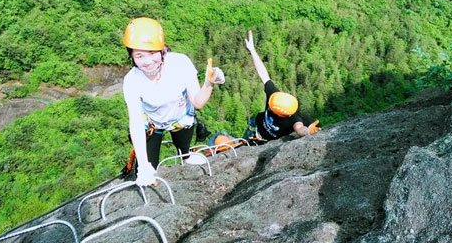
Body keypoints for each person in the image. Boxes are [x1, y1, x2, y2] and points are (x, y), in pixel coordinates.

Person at [122, 17, 225, 186]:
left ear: (162, 50)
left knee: (183, 146)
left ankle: (185, 155)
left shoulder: (180, 63)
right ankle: (148, 169)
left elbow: (197, 102)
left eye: (152, 53)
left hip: (180, 118)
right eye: (139, 56)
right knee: (148, 168)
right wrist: (144, 165)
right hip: (152, 123)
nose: (147, 62)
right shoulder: (132, 80)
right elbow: (135, 122)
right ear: (131, 56)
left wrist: (208, 83)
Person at [244, 30, 321, 141]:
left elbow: (299, 128)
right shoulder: (275, 96)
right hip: (255, 126)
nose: (268, 107)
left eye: (271, 108)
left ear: (281, 114)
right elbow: (263, 74)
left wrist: (307, 131)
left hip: (265, 140)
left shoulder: (294, 119)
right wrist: (252, 50)